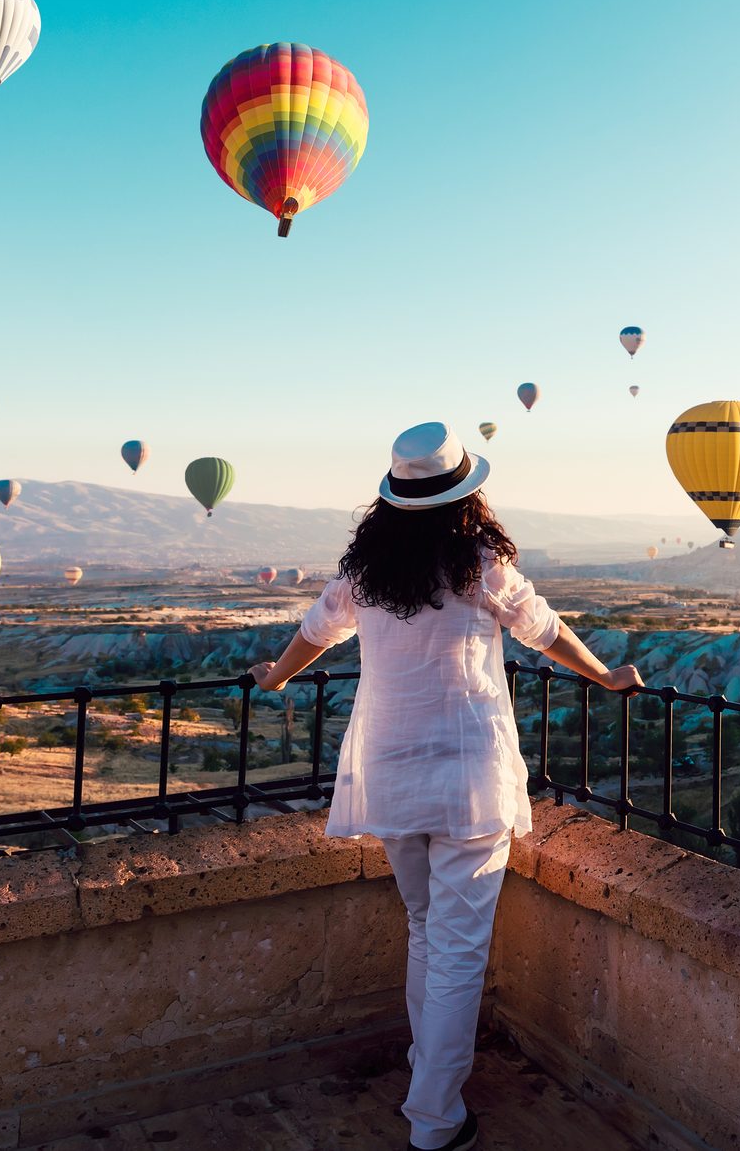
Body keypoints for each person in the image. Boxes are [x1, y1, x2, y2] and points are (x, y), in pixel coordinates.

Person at [249, 423, 641, 1151]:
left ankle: (426, 1073)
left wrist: (273, 676)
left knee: (426, 929)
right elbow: (544, 629)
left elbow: (314, 631)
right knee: (457, 946)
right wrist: (606, 675)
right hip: (467, 775)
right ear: (467, 493)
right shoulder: (478, 564)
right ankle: (434, 1118)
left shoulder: (365, 572)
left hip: (390, 773)